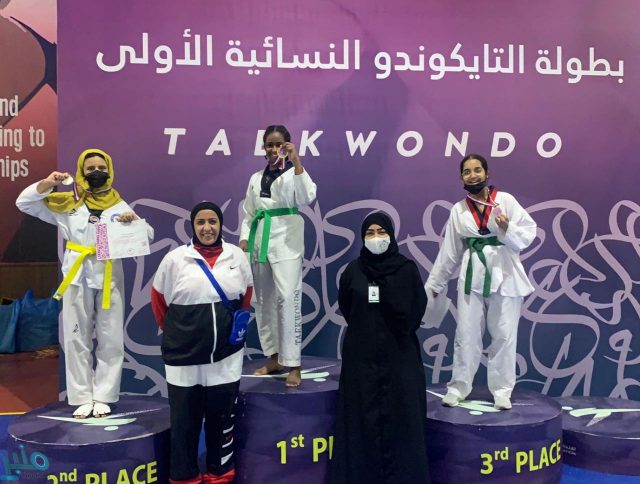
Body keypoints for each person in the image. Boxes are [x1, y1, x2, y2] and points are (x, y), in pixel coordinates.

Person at [15, 148, 154, 418]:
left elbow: (146, 234)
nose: (96, 172)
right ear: (81, 171)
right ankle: (81, 396)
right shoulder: (67, 203)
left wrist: (133, 222)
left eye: (101, 168)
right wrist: (48, 183)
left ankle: (104, 396)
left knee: (110, 338)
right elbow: (25, 203)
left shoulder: (118, 205)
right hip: (77, 274)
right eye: (90, 169)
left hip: (109, 275)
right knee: (76, 336)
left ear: (110, 171)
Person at [151, 202, 253, 484]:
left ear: (220, 224)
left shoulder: (236, 256)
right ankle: (184, 477)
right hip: (184, 358)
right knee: (185, 421)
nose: (207, 228)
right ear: (192, 226)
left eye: (212, 222)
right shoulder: (174, 260)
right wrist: (183, 333)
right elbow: (159, 302)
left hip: (226, 357)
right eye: (200, 222)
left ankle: (220, 473)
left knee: (222, 419)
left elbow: (246, 297)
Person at [426, 154, 536, 410]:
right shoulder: (458, 210)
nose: (473, 175)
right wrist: (435, 285)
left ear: (487, 173)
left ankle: (502, 391)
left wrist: (507, 229)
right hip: (472, 275)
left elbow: (528, 235)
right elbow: (450, 252)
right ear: (461, 177)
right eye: (467, 171)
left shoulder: (506, 201)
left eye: (477, 170)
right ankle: (458, 387)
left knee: (504, 335)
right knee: (466, 334)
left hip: (505, 274)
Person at [330, 212, 430, 484]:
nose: (376, 238)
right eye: (370, 233)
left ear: (391, 235)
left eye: (381, 232)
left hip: (400, 358)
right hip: (361, 359)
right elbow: (347, 307)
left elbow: (416, 310)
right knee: (361, 421)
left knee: (402, 420)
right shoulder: (353, 271)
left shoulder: (406, 270)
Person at [239, 125, 317, 387]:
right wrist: (244, 238)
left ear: (287, 144)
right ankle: (273, 357)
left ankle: (293, 363)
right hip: (259, 241)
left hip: (287, 242)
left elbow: (307, 196)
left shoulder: (294, 173)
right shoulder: (255, 177)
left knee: (288, 298)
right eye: (269, 145)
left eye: (278, 144)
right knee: (263, 301)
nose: (273, 149)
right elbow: (249, 213)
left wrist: (296, 161)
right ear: (264, 147)